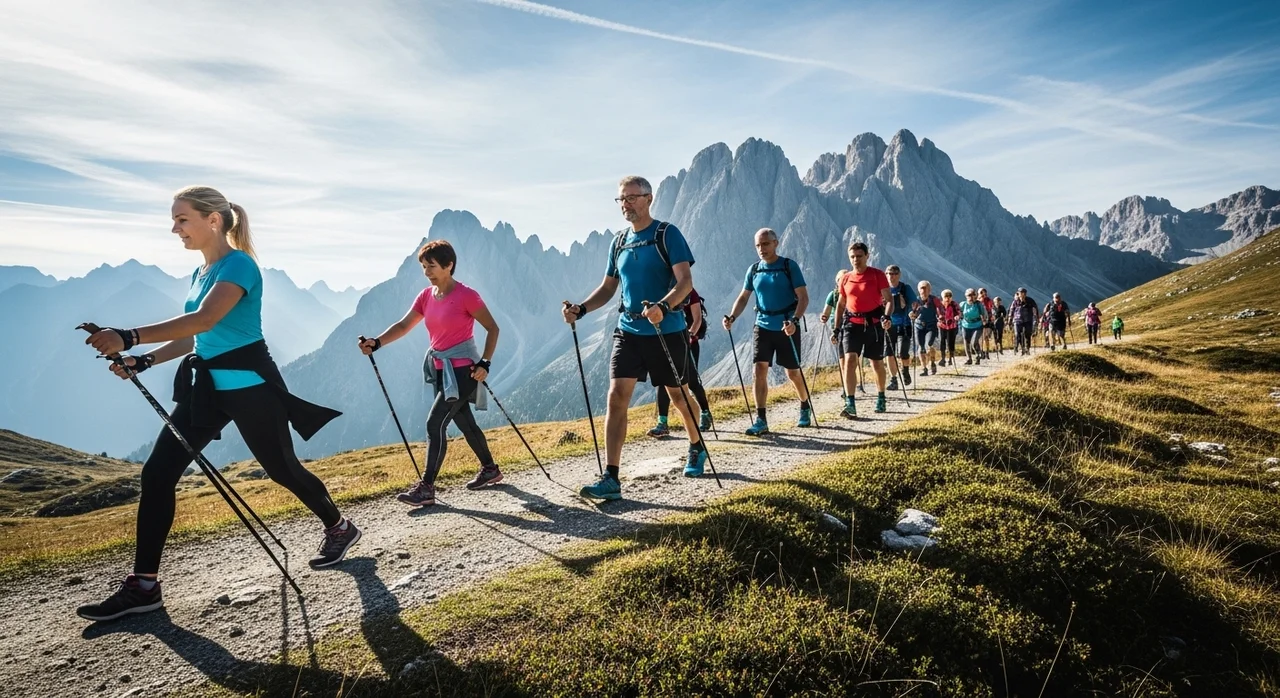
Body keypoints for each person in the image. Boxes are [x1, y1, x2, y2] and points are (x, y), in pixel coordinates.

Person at [76, 186, 356, 622]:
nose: (174, 228)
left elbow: (205, 319)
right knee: (158, 472)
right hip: (206, 389)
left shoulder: (239, 265)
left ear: (213, 220)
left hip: (250, 387)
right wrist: (143, 359)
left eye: (182, 219)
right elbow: (196, 334)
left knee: (282, 468)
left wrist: (128, 335)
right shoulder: (201, 272)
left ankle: (339, 527)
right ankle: (145, 585)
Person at [563, 176, 705, 501]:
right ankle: (611, 477)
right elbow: (609, 288)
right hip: (628, 329)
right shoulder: (619, 241)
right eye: (621, 199)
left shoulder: (667, 234)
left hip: (665, 330)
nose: (626, 204)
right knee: (616, 397)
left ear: (648, 198)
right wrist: (581, 308)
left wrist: (664, 306)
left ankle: (696, 444)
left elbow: (685, 282)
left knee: (679, 397)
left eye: (631, 198)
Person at [361, 240, 502, 507]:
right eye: (424, 267)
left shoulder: (466, 295)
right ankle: (490, 469)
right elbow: (404, 326)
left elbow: (493, 328)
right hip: (441, 370)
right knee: (464, 422)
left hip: (465, 371)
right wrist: (376, 342)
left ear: (449, 266)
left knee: (434, 423)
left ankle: (426, 487)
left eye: (432, 266)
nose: (427, 272)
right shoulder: (426, 296)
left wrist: (485, 363)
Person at [723, 228, 811, 435]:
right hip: (762, 325)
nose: (761, 249)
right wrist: (732, 317)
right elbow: (744, 297)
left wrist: (794, 321)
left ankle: (804, 404)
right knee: (759, 370)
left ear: (775, 243)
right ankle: (761, 419)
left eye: (765, 244)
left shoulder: (789, 266)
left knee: (792, 372)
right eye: (758, 245)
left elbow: (803, 297)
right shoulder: (754, 270)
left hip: (786, 326)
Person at [835, 241, 893, 416]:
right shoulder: (845, 278)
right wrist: (836, 328)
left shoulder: (877, 275)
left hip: (874, 325)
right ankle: (850, 402)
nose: (855, 260)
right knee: (850, 360)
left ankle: (881, 395)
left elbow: (889, 299)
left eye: (859, 256)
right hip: (851, 324)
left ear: (867, 256)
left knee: (876, 362)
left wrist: (887, 316)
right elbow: (841, 304)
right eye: (852, 257)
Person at [649, 287, 713, 437]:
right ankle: (662, 423)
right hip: (667, 343)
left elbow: (697, 319)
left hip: (688, 343)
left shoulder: (690, 292)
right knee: (664, 382)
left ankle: (705, 413)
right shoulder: (661, 292)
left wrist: (689, 336)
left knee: (691, 381)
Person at [884, 265, 917, 391]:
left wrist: (913, 312)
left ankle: (905, 370)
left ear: (899, 275)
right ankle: (893, 379)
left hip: (905, 324)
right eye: (888, 273)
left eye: (894, 273)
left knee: (903, 353)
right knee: (889, 352)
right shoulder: (883, 289)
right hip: (889, 324)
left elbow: (914, 303)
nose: (891, 276)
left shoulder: (905, 288)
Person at [819, 270, 850, 388]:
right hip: (838, 327)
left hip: (851, 326)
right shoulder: (833, 295)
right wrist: (823, 317)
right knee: (842, 357)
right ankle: (846, 385)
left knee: (850, 356)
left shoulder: (852, 293)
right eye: (840, 280)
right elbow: (826, 312)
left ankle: (849, 383)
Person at [911, 280, 942, 376]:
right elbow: (912, 312)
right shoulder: (915, 300)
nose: (924, 290)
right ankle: (924, 368)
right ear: (918, 290)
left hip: (931, 325)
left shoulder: (934, 300)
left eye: (926, 288)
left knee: (929, 344)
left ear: (929, 290)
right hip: (918, 326)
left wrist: (940, 316)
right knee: (921, 347)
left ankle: (932, 362)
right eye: (922, 288)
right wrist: (912, 315)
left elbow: (939, 310)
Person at [959, 288, 990, 365]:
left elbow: (984, 313)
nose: (972, 297)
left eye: (974, 295)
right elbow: (958, 312)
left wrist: (985, 321)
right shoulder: (963, 304)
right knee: (966, 341)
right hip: (966, 325)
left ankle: (978, 355)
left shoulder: (978, 304)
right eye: (970, 295)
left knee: (974, 342)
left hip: (977, 325)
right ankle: (969, 359)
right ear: (966, 296)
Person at [1009, 288, 1039, 355]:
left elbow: (1035, 308)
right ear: (1018, 294)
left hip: (1028, 319)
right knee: (1017, 334)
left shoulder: (1030, 300)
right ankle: (1018, 347)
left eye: (1024, 293)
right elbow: (1012, 310)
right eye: (1021, 293)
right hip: (1017, 320)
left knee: (1027, 334)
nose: (1022, 294)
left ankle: (1027, 348)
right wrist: (1010, 319)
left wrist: (1036, 317)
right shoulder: (1015, 301)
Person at [937, 289, 960, 367]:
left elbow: (958, 312)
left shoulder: (954, 304)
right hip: (942, 326)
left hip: (952, 326)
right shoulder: (939, 305)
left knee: (951, 342)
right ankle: (943, 359)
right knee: (942, 342)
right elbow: (936, 313)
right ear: (942, 297)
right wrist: (938, 318)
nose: (948, 298)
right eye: (946, 296)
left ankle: (950, 359)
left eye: (950, 296)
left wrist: (957, 316)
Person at [977, 287, 994, 359]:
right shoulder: (977, 301)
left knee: (986, 337)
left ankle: (987, 352)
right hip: (979, 320)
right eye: (981, 292)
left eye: (984, 292)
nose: (983, 294)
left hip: (987, 319)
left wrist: (992, 316)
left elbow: (991, 308)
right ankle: (982, 352)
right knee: (980, 337)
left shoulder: (989, 300)